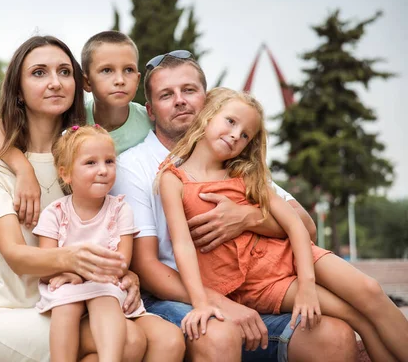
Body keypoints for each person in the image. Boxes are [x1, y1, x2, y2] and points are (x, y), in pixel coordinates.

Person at [111, 51, 359, 361]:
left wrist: (247, 217)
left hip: (249, 289)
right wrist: (220, 303)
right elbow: (147, 268)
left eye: (189, 90)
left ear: (207, 99)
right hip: (176, 298)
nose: (180, 101)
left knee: (335, 336)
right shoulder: (134, 166)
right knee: (220, 333)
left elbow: (305, 226)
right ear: (150, 110)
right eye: (166, 95)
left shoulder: (234, 158)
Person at [159, 87, 408, 362]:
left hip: (290, 254)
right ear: (207, 115)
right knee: (354, 316)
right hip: (258, 283)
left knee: (371, 291)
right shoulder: (173, 180)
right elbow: (181, 244)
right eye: (231, 121)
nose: (235, 135)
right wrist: (201, 302)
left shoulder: (246, 174)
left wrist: (306, 286)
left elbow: (297, 227)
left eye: (245, 135)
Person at [0, 35, 148, 362]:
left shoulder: (86, 158)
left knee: (163, 338)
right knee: (129, 342)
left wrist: (124, 273)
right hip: (9, 311)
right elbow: (17, 256)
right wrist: (23, 171)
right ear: (17, 90)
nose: (55, 83)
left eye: (65, 72)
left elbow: (103, 230)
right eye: (39, 73)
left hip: (77, 300)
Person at [34, 124, 182, 362]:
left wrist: (76, 272)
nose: (103, 170)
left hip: (105, 286)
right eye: (91, 163)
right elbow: (44, 264)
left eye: (109, 162)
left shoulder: (120, 209)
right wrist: (65, 273)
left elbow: (120, 264)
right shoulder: (55, 213)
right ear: (66, 173)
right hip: (69, 291)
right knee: (65, 305)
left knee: (104, 294)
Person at [0, 30, 152, 229]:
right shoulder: (76, 123)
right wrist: (24, 170)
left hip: (140, 223)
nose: (120, 80)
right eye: (107, 70)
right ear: (86, 82)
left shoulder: (150, 121)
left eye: (128, 70)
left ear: (138, 79)